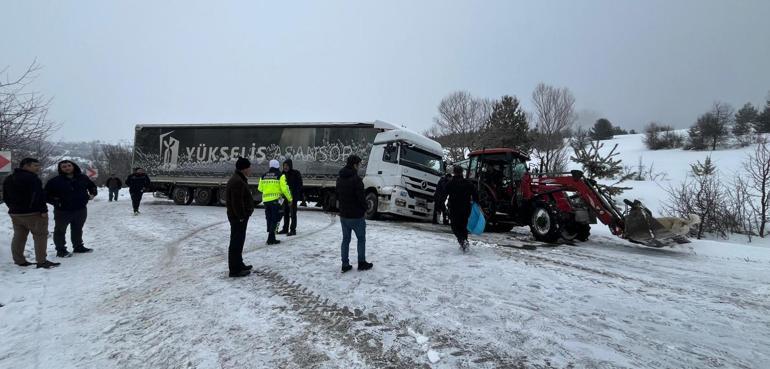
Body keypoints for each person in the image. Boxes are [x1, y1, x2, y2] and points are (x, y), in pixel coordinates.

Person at [2, 158, 60, 269]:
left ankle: (19, 260)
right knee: (40, 236)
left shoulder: (9, 178)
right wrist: (43, 210)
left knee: (19, 237)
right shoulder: (33, 178)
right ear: (25, 166)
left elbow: (5, 197)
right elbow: (39, 195)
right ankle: (41, 261)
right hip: (33, 213)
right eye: (35, 166)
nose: (38, 168)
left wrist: (12, 207)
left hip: (15, 213)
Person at [45, 160, 98, 257]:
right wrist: (57, 203)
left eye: (69, 165)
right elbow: (46, 195)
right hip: (63, 211)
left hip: (80, 209)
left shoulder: (82, 178)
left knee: (78, 229)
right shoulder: (54, 181)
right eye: (64, 166)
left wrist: (92, 194)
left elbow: (92, 187)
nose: (67, 168)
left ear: (73, 166)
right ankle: (61, 250)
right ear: (60, 169)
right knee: (60, 231)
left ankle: (78, 246)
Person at [335, 155, 373, 273]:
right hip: (356, 216)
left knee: (346, 239)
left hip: (344, 215)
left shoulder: (340, 178)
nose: (359, 166)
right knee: (361, 238)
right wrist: (365, 208)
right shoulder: (357, 180)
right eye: (359, 164)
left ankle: (345, 264)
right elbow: (361, 198)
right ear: (354, 165)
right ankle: (361, 262)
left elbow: (337, 195)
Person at [225, 157, 255, 278]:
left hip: (238, 217)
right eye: (249, 167)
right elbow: (236, 202)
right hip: (238, 218)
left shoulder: (239, 179)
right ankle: (235, 270)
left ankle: (239, 263)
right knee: (236, 242)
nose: (250, 169)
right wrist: (241, 216)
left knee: (239, 241)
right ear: (244, 169)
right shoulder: (237, 181)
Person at [258, 159, 292, 245]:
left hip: (266, 201)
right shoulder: (280, 175)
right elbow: (285, 189)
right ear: (277, 166)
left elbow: (260, 188)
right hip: (276, 201)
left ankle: (271, 238)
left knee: (269, 218)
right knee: (276, 218)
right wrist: (290, 199)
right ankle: (270, 238)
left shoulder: (263, 176)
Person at [446, 165, 478, 252]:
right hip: (466, 208)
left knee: (455, 227)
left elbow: (444, 193)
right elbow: (475, 195)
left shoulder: (450, 183)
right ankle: (465, 243)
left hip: (454, 208)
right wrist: (476, 203)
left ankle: (462, 241)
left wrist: (441, 205)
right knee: (463, 226)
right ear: (462, 172)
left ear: (454, 172)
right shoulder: (468, 183)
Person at [278, 159, 303, 236]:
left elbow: (300, 184)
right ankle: (285, 228)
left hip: (292, 197)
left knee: (292, 214)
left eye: (287, 166)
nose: (285, 167)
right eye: (284, 165)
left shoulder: (295, 173)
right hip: (284, 197)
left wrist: (296, 194)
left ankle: (293, 230)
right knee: (285, 213)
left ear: (290, 166)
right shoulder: (282, 174)